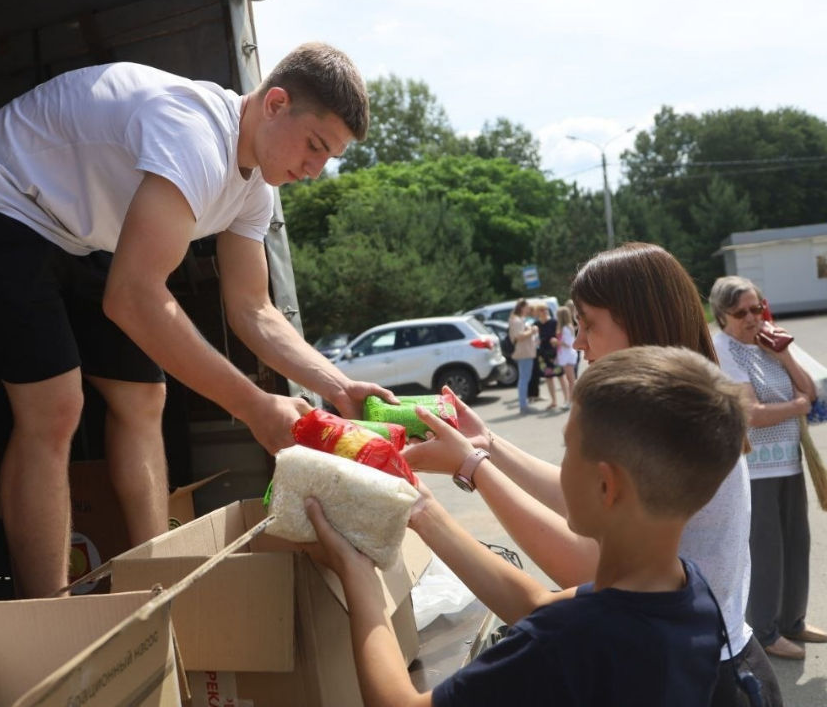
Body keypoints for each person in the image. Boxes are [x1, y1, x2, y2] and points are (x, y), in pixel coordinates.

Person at [0, 42, 394, 597]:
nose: (315, 170)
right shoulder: (196, 135)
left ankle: (159, 585)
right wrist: (254, 408)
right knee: (56, 408)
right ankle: (48, 612)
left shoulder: (257, 188)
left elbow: (253, 309)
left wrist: (339, 385)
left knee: (144, 397)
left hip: (80, 233)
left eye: (330, 158)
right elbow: (132, 298)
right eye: (315, 146)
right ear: (274, 104)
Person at [405, 243, 782, 706]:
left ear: (638, 321)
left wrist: (468, 469)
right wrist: (490, 447)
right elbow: (583, 494)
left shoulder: (659, 423)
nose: (578, 340)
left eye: (588, 323)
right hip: (730, 667)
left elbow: (578, 567)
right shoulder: (686, 407)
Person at [304, 346, 747, 706]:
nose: (562, 464)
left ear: (607, 485)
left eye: (568, 450)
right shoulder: (688, 589)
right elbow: (537, 603)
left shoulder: (569, 641)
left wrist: (359, 576)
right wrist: (424, 511)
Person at [710, 276, 824, 660]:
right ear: (722, 316)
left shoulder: (766, 343)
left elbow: (810, 390)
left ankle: (793, 621)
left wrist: (784, 352)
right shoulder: (723, 349)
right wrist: (796, 407)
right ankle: (765, 630)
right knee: (766, 550)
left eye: (756, 308)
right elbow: (752, 414)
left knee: (796, 543)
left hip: (788, 461)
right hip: (753, 467)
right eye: (740, 312)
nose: (751, 318)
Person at [508, 298, 538, 414]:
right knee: (524, 379)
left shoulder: (518, 319)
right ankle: (523, 405)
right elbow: (518, 336)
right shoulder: (517, 320)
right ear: (521, 307)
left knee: (524, 378)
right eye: (527, 307)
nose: (529, 309)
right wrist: (532, 331)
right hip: (524, 352)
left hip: (525, 352)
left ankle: (524, 404)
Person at [533, 301, 559, 408]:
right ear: (538, 312)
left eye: (546, 309)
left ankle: (569, 399)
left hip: (555, 353)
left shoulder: (554, 322)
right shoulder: (536, 325)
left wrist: (556, 340)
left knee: (561, 376)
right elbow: (534, 339)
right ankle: (554, 401)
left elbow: (559, 336)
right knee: (549, 377)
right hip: (543, 354)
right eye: (542, 310)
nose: (545, 312)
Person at [552, 305, 577, 409]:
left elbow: (568, 343)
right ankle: (570, 400)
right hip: (566, 355)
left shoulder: (566, 328)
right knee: (570, 379)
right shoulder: (566, 327)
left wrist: (556, 342)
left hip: (568, 356)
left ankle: (571, 401)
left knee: (571, 379)